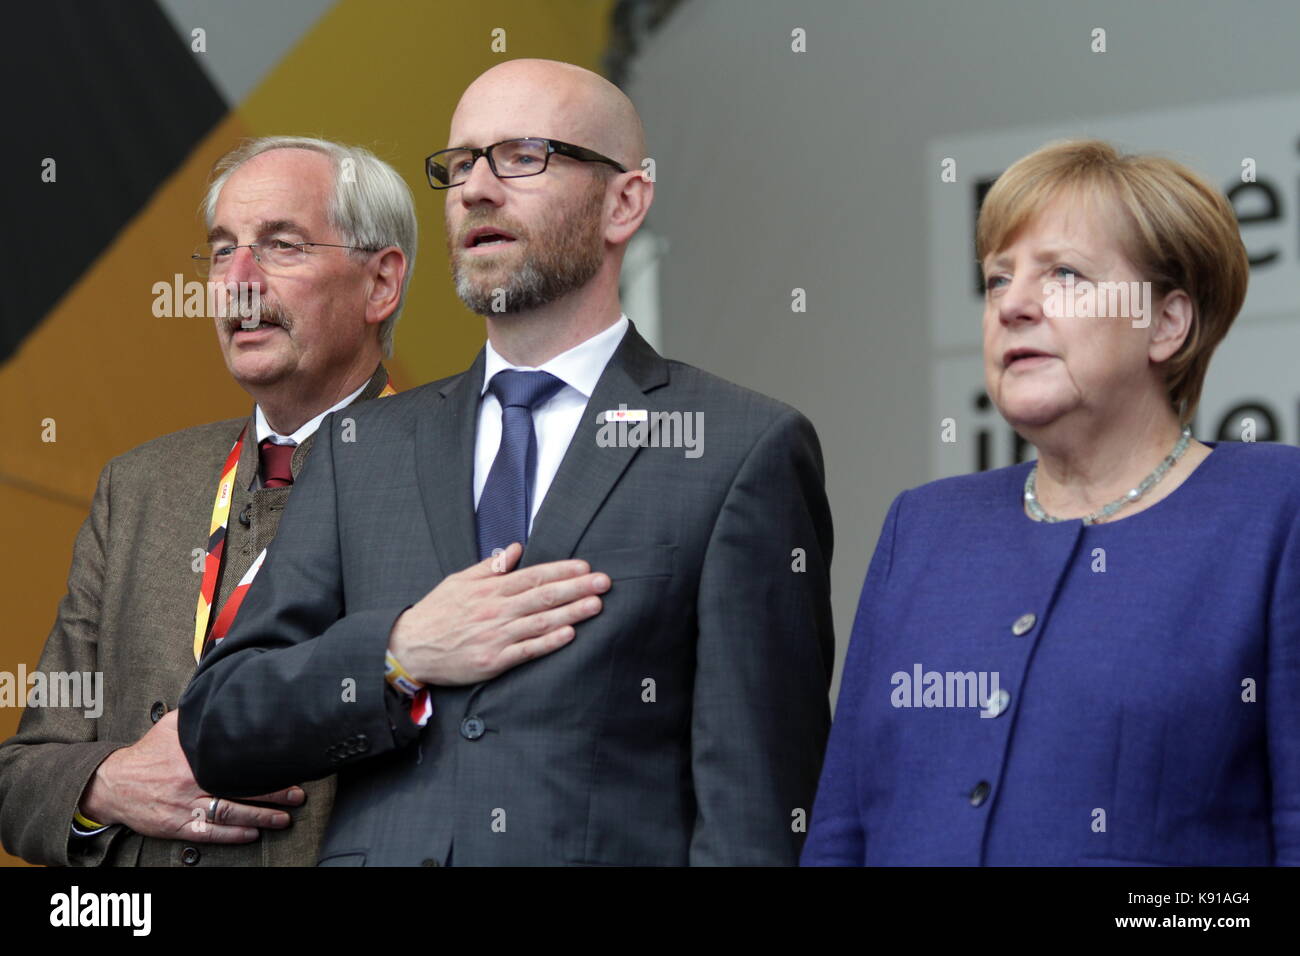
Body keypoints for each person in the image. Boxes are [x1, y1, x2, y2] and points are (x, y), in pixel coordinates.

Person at [179, 58, 835, 867]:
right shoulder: (364, 445)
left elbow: (756, 809)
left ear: (623, 201)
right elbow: (221, 725)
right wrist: (400, 652)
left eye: (523, 156)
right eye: (458, 166)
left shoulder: (740, 447)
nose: (476, 191)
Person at [802, 138, 1300, 866]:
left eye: (1064, 274)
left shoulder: (1273, 510)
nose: (1013, 305)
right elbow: (842, 826)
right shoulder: (925, 526)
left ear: (1167, 323)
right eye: (997, 280)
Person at [0, 136, 417, 866]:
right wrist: (107, 784)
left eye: (281, 246)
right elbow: (22, 774)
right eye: (223, 251)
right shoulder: (136, 487)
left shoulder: (447, 473)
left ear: (381, 283)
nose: (238, 282)